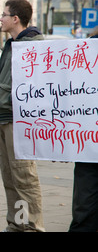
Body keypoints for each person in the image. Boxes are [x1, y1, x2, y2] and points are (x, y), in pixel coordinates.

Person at [0, 0, 45, 232]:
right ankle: (17, 223)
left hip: (19, 119)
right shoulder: (12, 43)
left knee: (24, 177)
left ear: (15, 19)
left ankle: (31, 226)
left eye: (4, 14)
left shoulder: (32, 45)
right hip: (3, 117)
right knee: (10, 178)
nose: (0, 18)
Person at [69, 28, 98, 232]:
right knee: (85, 204)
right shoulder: (89, 46)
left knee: (85, 203)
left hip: (88, 144)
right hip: (89, 143)